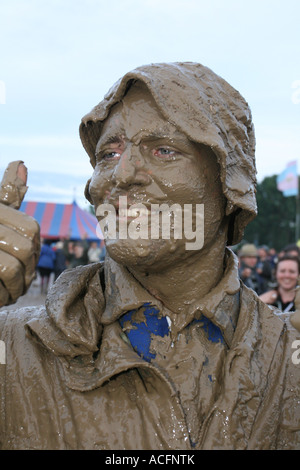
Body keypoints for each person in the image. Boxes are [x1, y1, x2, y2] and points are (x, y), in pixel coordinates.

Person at [1, 62, 300, 450]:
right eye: (108, 153)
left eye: (163, 150)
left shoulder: (287, 357)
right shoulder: (16, 346)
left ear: (231, 185)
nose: (121, 174)